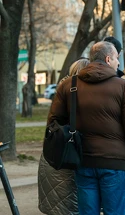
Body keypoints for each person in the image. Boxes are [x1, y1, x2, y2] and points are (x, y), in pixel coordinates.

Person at [47, 41, 125, 215]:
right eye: (116, 58)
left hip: (83, 160)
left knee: (87, 211)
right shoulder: (123, 87)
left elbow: (54, 123)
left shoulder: (69, 86)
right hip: (114, 161)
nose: (118, 63)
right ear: (108, 59)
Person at [38, 57, 89, 215]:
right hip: (68, 154)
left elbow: (52, 121)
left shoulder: (62, 88)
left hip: (52, 156)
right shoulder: (76, 90)